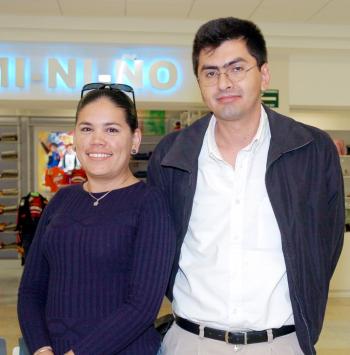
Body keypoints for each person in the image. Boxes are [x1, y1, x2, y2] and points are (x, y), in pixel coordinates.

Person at [147, 17, 344, 355]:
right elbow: (158, 245)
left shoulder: (310, 149)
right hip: (190, 342)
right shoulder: (171, 155)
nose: (224, 83)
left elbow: (325, 244)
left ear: (263, 74)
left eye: (237, 68)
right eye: (210, 73)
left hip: (279, 343)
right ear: (199, 82)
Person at [18, 83, 175, 355]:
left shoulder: (151, 203)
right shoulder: (62, 200)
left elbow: (141, 307)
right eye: (87, 128)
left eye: (111, 129)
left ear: (135, 139)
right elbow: (31, 290)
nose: (96, 140)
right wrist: (41, 349)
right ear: (75, 136)